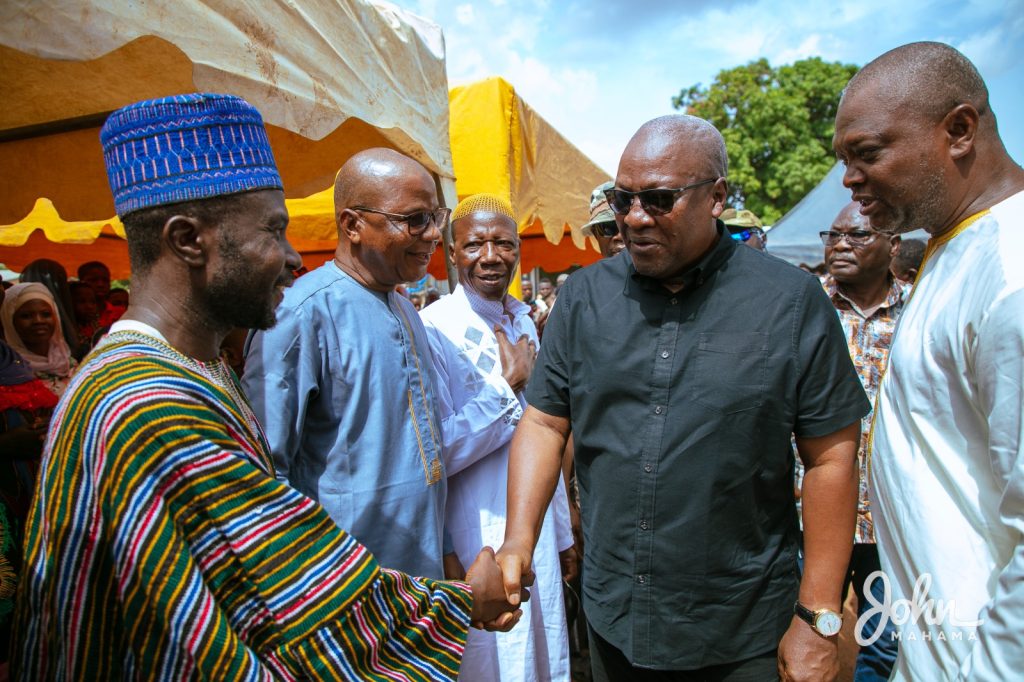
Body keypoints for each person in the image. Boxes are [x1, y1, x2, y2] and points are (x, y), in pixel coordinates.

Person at [12, 93, 522, 680]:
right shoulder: (147, 404)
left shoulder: (187, 372)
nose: (289, 258)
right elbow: (273, 583)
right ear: (187, 240)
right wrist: (460, 605)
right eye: (273, 232)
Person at [497, 114, 870, 681]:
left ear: (716, 196)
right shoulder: (583, 300)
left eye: (660, 199)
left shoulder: (790, 302)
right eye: (622, 200)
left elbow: (832, 458)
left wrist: (818, 616)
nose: (635, 218)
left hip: (739, 626)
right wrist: (518, 542)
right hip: (613, 616)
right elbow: (546, 424)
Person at [834, 41, 1024, 680]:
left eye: (867, 153)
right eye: (844, 159)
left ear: (960, 131)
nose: (849, 179)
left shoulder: (1012, 271)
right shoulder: (952, 250)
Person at [244, 147, 451, 578]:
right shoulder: (299, 316)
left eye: (436, 217)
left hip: (419, 583)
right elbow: (264, 475)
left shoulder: (405, 308)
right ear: (353, 225)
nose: (432, 234)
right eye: (415, 219)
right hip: (343, 590)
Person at [421, 194, 576, 681]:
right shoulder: (434, 328)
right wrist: (506, 390)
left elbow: (547, 431)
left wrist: (564, 530)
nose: (491, 256)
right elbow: (434, 449)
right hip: (476, 535)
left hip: (537, 531)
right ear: (452, 252)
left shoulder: (524, 319)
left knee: (543, 651)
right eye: (475, 244)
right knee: (494, 661)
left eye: (503, 244)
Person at [818, 201, 908, 680]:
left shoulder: (919, 309)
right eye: (832, 237)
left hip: (889, 514)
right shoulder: (804, 306)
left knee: (882, 640)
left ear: (893, 245)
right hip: (807, 507)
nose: (839, 247)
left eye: (855, 236)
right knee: (809, 630)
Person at [0, 283, 77, 397]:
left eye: (46, 314)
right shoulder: (10, 370)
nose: (38, 321)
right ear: (10, 322)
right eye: (26, 316)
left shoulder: (69, 363)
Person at [580, 181, 625, 259]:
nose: (619, 236)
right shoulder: (590, 271)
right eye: (608, 228)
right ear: (595, 234)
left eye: (627, 226)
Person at [77, 261, 126, 329]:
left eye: (105, 280)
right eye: (93, 280)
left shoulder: (121, 313)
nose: (101, 285)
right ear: (81, 282)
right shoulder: (75, 313)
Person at [69, 281, 100, 351]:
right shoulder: (69, 333)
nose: (89, 306)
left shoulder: (95, 327)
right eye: (82, 302)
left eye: (93, 302)